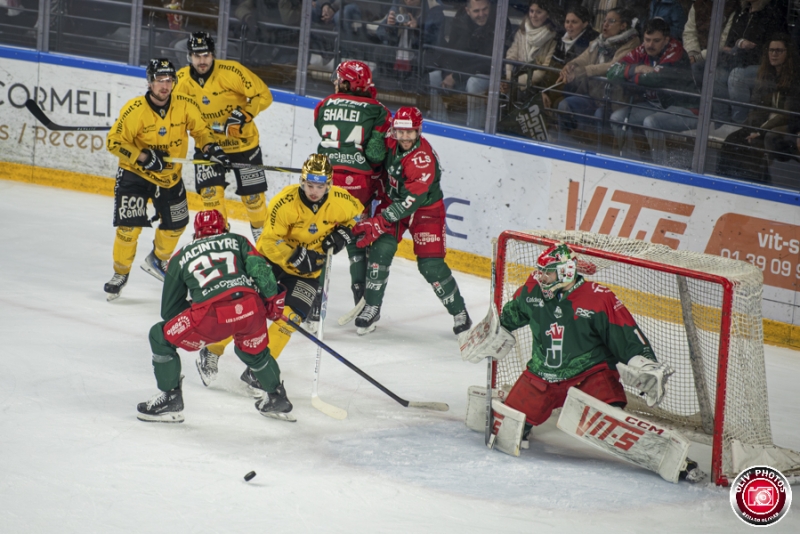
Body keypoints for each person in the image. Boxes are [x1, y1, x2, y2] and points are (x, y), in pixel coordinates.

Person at [461, 243, 703, 481]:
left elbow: (626, 336)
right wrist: (491, 331)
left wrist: (645, 364)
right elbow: (509, 317)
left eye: (548, 271)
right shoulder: (532, 290)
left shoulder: (598, 298)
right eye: (540, 270)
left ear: (566, 271)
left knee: (609, 422)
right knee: (503, 430)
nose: (541, 276)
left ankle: (675, 460)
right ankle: (520, 408)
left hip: (589, 374)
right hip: (542, 376)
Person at [195, 154, 363, 390]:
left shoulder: (341, 200)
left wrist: (344, 233)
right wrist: (298, 256)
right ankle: (211, 350)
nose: (314, 191)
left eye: (320, 186)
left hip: (307, 273)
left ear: (329, 184)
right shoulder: (284, 203)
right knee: (247, 310)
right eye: (310, 185)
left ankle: (259, 369)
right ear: (303, 182)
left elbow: (358, 215)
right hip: (270, 262)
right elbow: (270, 240)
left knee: (290, 319)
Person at [136, 209, 292, 423]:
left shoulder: (181, 256)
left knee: (159, 336)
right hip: (250, 308)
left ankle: (170, 399)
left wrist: (196, 310)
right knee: (253, 351)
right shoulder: (237, 240)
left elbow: (169, 312)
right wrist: (272, 299)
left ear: (196, 234)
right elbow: (260, 269)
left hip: (211, 317)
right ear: (225, 228)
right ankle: (276, 397)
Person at [103, 58, 229, 300]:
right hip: (135, 175)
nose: (165, 85)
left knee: (177, 225)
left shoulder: (184, 104)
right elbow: (113, 142)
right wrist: (143, 157)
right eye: (160, 80)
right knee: (128, 229)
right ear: (150, 82)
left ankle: (158, 259)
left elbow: (201, 131)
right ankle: (121, 273)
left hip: (169, 176)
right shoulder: (134, 109)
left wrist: (211, 147)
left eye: (169, 80)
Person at [351, 107, 472, 336]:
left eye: (410, 133)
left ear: (419, 131)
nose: (404, 137)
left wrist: (380, 220)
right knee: (381, 248)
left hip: (425, 210)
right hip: (393, 200)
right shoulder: (390, 138)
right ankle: (372, 306)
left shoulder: (422, 160)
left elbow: (410, 202)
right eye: (400, 131)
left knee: (431, 266)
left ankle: (459, 311)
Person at [309, 60, 391, 329]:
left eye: (338, 78)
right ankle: (363, 301)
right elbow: (376, 154)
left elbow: (323, 129)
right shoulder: (378, 111)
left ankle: (312, 302)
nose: (335, 81)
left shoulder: (324, 104)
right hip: (358, 184)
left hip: (326, 181)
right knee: (356, 239)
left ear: (345, 82)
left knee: (320, 236)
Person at [174, 32, 274, 243]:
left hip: (243, 145)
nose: (202, 61)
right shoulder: (180, 81)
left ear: (213, 55)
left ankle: (266, 248)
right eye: (197, 55)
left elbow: (264, 95)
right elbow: (173, 114)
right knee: (210, 198)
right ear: (189, 56)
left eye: (206, 55)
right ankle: (220, 244)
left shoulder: (232, 72)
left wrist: (245, 113)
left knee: (254, 201)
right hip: (207, 146)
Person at [607, 17, 697, 166]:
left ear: (666, 39)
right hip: (655, 106)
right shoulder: (641, 50)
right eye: (647, 39)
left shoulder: (676, 50)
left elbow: (657, 79)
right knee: (617, 118)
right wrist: (637, 69)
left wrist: (630, 77)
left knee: (652, 122)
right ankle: (631, 165)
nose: (650, 45)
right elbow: (611, 72)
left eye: (656, 40)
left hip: (688, 109)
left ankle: (660, 169)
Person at [717, 34, 800, 183]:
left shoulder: (795, 79)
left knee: (765, 141)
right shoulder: (767, 75)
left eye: (779, 51)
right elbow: (761, 107)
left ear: (788, 54)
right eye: (771, 50)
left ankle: (765, 184)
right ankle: (722, 181)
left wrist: (760, 131)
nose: (774, 54)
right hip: (766, 123)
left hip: (787, 126)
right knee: (733, 140)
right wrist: (749, 126)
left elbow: (787, 114)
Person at [555, 8, 640, 146]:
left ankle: (600, 155)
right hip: (593, 97)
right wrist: (570, 66)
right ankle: (563, 147)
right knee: (564, 105)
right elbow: (583, 58)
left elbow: (612, 66)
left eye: (611, 21)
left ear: (623, 25)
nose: (605, 24)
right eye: (604, 20)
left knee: (600, 116)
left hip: (613, 102)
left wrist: (584, 71)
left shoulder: (632, 45)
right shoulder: (599, 41)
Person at [427, 0, 513, 129]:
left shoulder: (500, 20)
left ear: (489, 6)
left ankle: (474, 130)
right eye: (476, 11)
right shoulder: (460, 19)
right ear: (467, 11)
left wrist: (456, 76)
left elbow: (489, 61)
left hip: (490, 74)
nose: (481, 14)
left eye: (485, 9)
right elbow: (452, 52)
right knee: (433, 77)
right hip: (462, 72)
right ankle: (443, 126)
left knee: (474, 83)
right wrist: (447, 74)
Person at [716, 0, 786, 124]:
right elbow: (730, 43)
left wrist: (742, 49)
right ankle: (720, 123)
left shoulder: (772, 15)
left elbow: (769, 50)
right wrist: (739, 45)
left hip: (762, 65)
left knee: (737, 76)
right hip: (736, 61)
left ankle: (738, 124)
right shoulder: (742, 12)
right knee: (716, 76)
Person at [541, 5, 599, 109]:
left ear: (585, 24)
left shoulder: (592, 42)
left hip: (575, 93)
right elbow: (551, 72)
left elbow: (581, 79)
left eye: (574, 22)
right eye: (567, 22)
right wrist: (543, 92)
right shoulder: (560, 40)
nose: (569, 26)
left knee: (560, 105)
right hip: (554, 90)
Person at [502, 0, 560, 101]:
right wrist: (508, 79)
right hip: (514, 80)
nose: (533, 15)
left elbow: (544, 70)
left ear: (547, 15)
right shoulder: (521, 31)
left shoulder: (553, 38)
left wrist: (515, 82)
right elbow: (511, 56)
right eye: (531, 11)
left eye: (539, 12)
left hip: (539, 87)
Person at [376, 0, 445, 79]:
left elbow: (435, 43)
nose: (409, 0)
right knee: (379, 51)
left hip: (420, 67)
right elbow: (380, 33)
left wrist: (417, 29)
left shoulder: (434, 11)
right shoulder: (397, 7)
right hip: (395, 63)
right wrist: (389, 27)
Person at [682, 0, 739, 87]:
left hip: (723, 58)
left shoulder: (733, 6)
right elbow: (690, 33)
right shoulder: (698, 5)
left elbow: (724, 41)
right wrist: (692, 53)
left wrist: (699, 57)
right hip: (697, 54)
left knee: (698, 69)